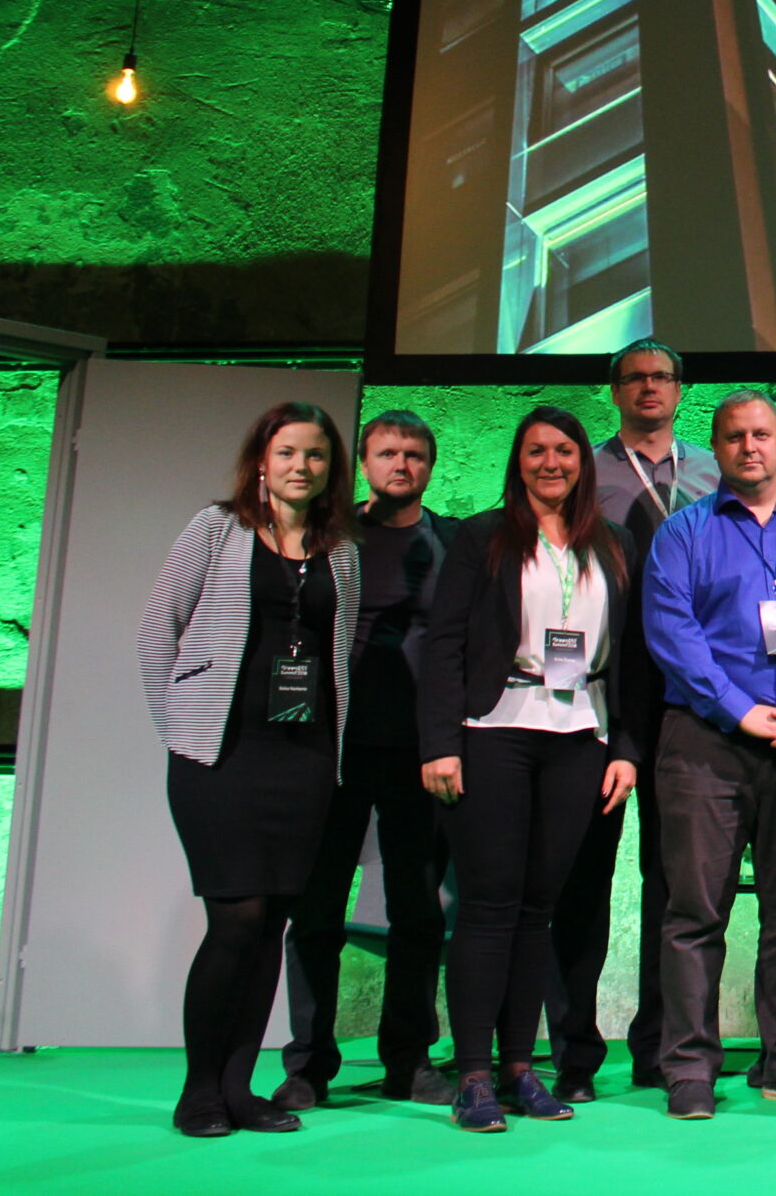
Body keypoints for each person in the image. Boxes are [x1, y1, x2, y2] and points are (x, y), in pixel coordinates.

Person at [418, 405, 642, 1133]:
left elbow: (631, 657)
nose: (552, 462)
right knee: (489, 905)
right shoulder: (483, 536)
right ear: (518, 460)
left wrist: (626, 748)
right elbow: (444, 643)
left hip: (580, 735)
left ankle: (520, 1068)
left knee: (538, 910)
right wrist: (438, 743)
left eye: (565, 450)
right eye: (538, 450)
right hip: (494, 731)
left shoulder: (611, 543)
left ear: (583, 462)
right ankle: (473, 1076)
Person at [139, 402, 360, 1138]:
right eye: (288, 452)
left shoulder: (340, 550)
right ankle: (199, 1090)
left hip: (303, 761)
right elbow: (157, 630)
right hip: (221, 756)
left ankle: (238, 1089)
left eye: (316, 454)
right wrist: (180, 728)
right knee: (234, 920)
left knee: (271, 926)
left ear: (331, 468)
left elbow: (338, 657)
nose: (302, 465)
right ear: (261, 461)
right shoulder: (215, 528)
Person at [647, 390, 776, 1121]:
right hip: (706, 741)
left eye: (761, 433)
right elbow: (672, 632)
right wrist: (741, 708)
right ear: (716, 446)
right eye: (734, 436)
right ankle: (689, 1068)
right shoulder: (682, 532)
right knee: (694, 912)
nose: (749, 446)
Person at [547, 340, 722, 1099]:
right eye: (635, 378)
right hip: (608, 686)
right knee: (582, 874)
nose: (649, 388)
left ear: (681, 391)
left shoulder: (713, 471)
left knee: (673, 878)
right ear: (613, 390)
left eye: (662, 378)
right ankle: (574, 1052)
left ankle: (659, 1044)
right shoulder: (583, 471)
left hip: (692, 692)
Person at [275, 410, 457, 1112]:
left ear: (430, 465)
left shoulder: (450, 542)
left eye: (414, 454)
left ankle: (409, 1059)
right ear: (364, 463)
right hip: (334, 746)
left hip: (420, 750)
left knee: (418, 912)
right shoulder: (325, 536)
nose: (401, 465)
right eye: (387, 453)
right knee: (317, 907)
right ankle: (308, 1064)